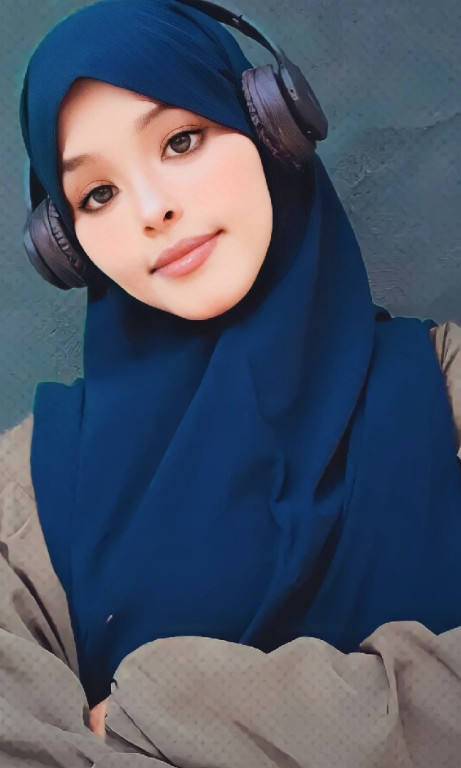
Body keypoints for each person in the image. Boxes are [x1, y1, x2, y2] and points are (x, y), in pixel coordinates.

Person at [2, 0, 461, 763]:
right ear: (65, 245)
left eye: (180, 140)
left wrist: (160, 708)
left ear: (271, 124)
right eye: (98, 194)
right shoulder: (30, 492)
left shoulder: (445, 388)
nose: (153, 210)